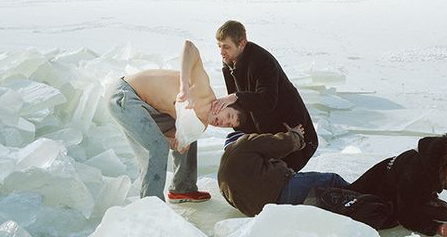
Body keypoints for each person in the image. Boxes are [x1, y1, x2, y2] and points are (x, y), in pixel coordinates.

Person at [108, 40, 246, 203]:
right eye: (228, 116)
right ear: (225, 104)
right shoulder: (202, 90)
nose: (223, 122)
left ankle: (182, 189)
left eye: (228, 125)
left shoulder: (200, 125)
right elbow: (189, 46)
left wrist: (177, 141)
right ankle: (151, 206)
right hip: (124, 94)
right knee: (157, 147)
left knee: (189, 138)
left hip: (150, 110)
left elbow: (176, 139)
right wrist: (184, 87)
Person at [211, 20, 318, 172]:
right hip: (264, 131)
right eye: (219, 46)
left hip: (292, 130)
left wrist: (235, 96)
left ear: (242, 43)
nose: (221, 52)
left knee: (281, 178)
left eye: (226, 47)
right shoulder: (228, 62)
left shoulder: (261, 61)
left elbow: (267, 100)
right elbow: (239, 105)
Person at [349, 133, 447, 237]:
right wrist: (435, 228)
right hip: (377, 192)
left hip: (405, 190)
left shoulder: (442, 160)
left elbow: (445, 179)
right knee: (440, 216)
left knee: (445, 214)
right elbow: (405, 214)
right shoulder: (416, 174)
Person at [217, 125, 348, 217]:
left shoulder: (221, 176)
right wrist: (295, 135)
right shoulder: (242, 143)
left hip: (265, 213)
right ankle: (363, 197)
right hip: (283, 190)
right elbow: (276, 144)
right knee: (332, 180)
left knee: (319, 199)